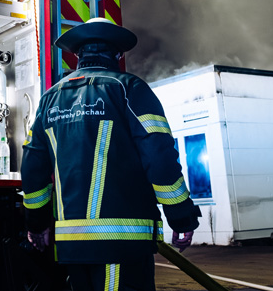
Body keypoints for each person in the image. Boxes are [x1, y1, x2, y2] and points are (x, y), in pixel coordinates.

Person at [21, 18, 200, 290]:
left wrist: (36, 224)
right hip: (122, 243)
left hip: (71, 246)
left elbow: (33, 170)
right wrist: (181, 216)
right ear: (118, 53)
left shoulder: (49, 99)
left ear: (77, 54)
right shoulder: (129, 88)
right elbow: (159, 158)